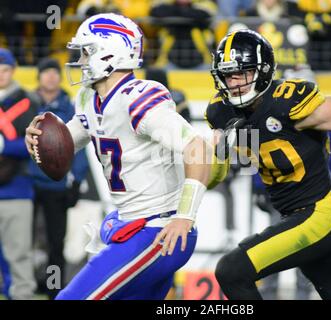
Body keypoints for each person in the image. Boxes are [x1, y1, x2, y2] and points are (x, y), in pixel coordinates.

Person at [25, 13, 211, 300]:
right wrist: (39, 141)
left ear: (109, 53)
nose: (81, 60)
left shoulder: (138, 97)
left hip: (157, 229)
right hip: (129, 224)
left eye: (87, 51)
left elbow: (197, 147)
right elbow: (68, 142)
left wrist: (185, 216)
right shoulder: (89, 98)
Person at [205, 29, 331, 300]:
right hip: (294, 216)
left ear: (263, 70)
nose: (233, 83)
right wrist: (221, 148)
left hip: (319, 215)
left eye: (241, 74)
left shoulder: (287, 101)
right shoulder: (221, 111)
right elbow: (213, 176)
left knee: (231, 271)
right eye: (227, 75)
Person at [29, 57, 89, 299]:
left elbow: (80, 148)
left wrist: (77, 180)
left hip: (56, 183)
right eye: (46, 72)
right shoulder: (28, 103)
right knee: (23, 241)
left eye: (55, 72)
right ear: (39, 76)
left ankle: (54, 288)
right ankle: (24, 286)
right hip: (28, 183)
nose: (51, 76)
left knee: (56, 243)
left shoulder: (71, 105)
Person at [0, 48, 38, 299]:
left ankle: (22, 295)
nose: (0, 76)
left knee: (19, 253)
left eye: (4, 70)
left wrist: (5, 146)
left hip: (18, 188)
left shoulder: (28, 100)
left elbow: (37, 143)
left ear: (13, 71)